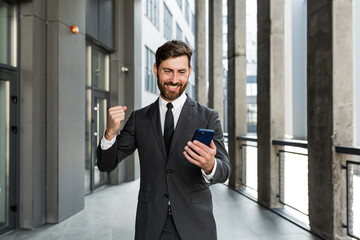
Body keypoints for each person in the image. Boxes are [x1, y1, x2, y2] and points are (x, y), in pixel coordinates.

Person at [97, 40, 230, 240]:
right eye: (168, 71)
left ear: (189, 71)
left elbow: (225, 170)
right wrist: (110, 133)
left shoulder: (208, 117)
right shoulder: (139, 118)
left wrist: (211, 165)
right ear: (155, 69)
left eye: (181, 72)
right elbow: (106, 164)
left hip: (196, 224)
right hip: (151, 224)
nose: (174, 79)